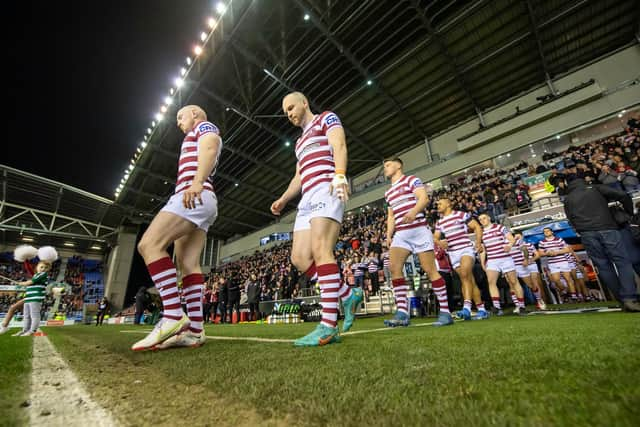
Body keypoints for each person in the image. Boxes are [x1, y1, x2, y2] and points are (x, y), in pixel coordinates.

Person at [270, 91, 363, 347]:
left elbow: (339, 145)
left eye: (291, 107)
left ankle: (328, 326)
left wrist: (340, 174)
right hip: (307, 198)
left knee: (322, 250)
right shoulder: (299, 143)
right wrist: (284, 198)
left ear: (304, 103)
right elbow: (298, 177)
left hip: (327, 187)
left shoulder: (326, 118)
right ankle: (348, 294)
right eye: (285, 111)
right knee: (299, 258)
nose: (288, 113)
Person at [132, 105, 222, 351]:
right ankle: (195, 330)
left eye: (180, 117)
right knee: (188, 265)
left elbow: (211, 145)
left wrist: (196, 182)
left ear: (195, 113)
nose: (178, 123)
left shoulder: (203, 126)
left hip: (192, 195)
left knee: (149, 245)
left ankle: (172, 314)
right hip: (204, 199)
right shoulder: (192, 135)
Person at [382, 158, 453, 327]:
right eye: (384, 166)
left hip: (419, 230)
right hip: (401, 234)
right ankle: (402, 313)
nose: (385, 168)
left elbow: (423, 198)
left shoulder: (411, 180)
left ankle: (445, 312)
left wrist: (413, 212)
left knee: (430, 270)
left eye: (388, 165)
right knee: (394, 268)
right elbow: (391, 216)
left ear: (399, 165)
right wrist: (388, 233)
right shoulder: (388, 192)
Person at [563, 176, 640, 311]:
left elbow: (570, 220)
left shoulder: (568, 199)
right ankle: (629, 298)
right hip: (608, 229)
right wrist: (628, 212)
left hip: (586, 234)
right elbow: (623, 194)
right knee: (622, 262)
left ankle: (622, 300)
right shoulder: (595, 188)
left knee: (603, 267)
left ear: (567, 184)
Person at [434, 197, 488, 320]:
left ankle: (467, 308)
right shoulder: (439, 222)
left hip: (465, 249)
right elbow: (435, 237)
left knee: (464, 275)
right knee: (469, 280)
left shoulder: (460, 215)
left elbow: (477, 227)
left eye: (440, 203)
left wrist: (479, 243)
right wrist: (439, 242)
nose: (438, 206)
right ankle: (481, 309)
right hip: (452, 253)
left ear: (448, 204)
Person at [477, 214, 527, 315]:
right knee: (491, 282)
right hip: (492, 260)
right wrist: (482, 262)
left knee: (513, 282)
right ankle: (497, 307)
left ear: (489, 218)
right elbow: (483, 250)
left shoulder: (500, 227)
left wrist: (509, 245)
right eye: (480, 219)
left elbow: (511, 239)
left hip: (505, 259)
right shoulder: (481, 233)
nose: (482, 220)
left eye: (484, 218)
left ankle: (521, 306)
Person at [536, 228, 577, 302]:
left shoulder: (559, 239)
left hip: (563, 261)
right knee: (556, 280)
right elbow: (540, 253)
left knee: (568, 279)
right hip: (552, 263)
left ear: (552, 232)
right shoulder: (542, 242)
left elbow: (567, 250)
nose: (546, 232)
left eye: (548, 231)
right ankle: (565, 290)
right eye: (544, 232)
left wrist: (556, 252)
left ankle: (574, 296)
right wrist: (548, 253)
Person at [13, 261, 51, 336]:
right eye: (41, 267)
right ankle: (25, 330)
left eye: (45, 268)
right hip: (29, 298)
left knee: (34, 315)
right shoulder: (36, 275)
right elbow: (31, 281)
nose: (43, 269)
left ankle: (32, 330)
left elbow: (30, 282)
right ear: (37, 267)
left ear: (47, 270)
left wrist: (22, 283)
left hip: (36, 298)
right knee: (26, 315)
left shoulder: (43, 274)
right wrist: (23, 283)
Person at [512, 232, 547, 310]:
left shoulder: (529, 244)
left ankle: (540, 300)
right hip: (517, 266)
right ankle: (518, 305)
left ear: (522, 236)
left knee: (534, 284)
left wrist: (530, 260)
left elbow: (537, 255)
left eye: (519, 236)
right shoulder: (509, 245)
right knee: (515, 286)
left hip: (531, 265)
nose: (517, 237)